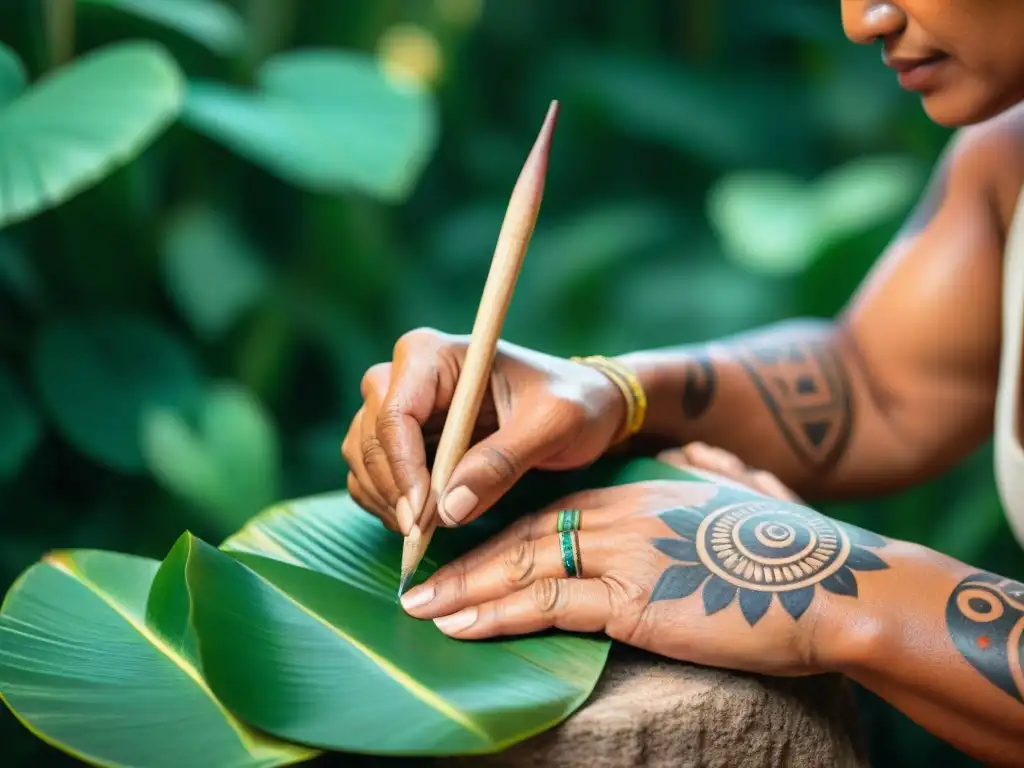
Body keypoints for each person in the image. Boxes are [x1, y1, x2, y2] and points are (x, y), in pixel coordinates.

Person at [341, 2, 1024, 764]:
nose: (863, 19)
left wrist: (830, 585)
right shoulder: (1007, 152)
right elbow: (876, 385)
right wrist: (608, 396)